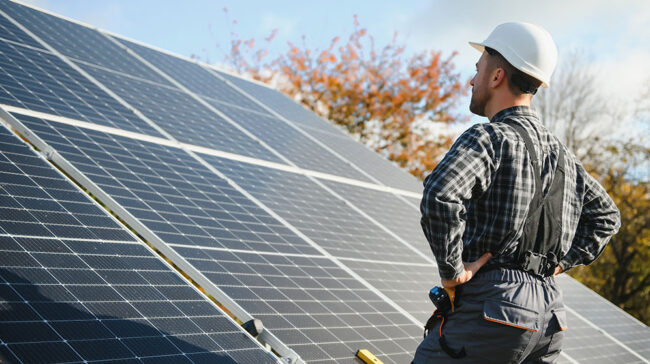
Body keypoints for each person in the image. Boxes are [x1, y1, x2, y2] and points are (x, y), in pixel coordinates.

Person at [412, 22, 621, 363]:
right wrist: (560, 264)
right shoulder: (564, 157)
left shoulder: (489, 138)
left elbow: (441, 194)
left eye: (477, 70)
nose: (471, 80)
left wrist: (452, 272)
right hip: (550, 316)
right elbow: (607, 217)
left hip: (493, 306)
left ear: (496, 77)